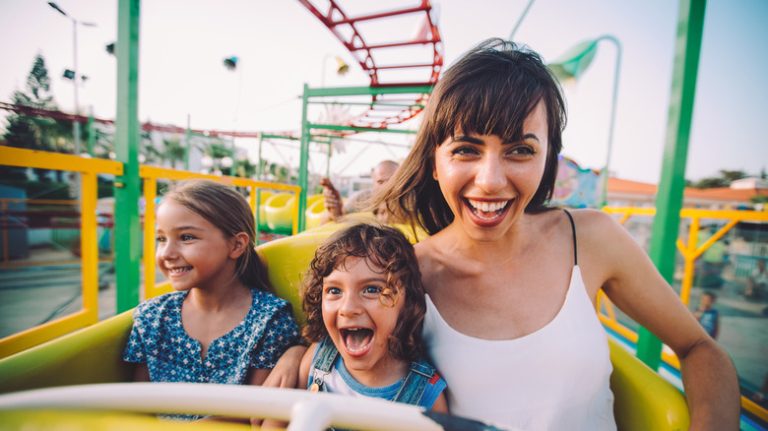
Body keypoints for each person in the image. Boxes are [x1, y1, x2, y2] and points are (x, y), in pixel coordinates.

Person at [267, 39, 739, 430]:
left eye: (519, 150)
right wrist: (296, 353)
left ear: (549, 156)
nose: (491, 179)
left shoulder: (590, 238)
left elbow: (700, 350)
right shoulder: (406, 273)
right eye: (467, 150)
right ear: (435, 160)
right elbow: (352, 343)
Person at [122, 179, 300, 420]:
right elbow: (138, 409)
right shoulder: (152, 317)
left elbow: (254, 416)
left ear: (236, 245)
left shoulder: (269, 320)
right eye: (161, 239)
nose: (167, 253)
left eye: (186, 237)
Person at [299, 223, 447, 411]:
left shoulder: (425, 393)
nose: (348, 308)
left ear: (408, 302)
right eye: (334, 290)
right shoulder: (317, 357)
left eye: (372, 289)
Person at [321, 160, 399, 224]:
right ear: (373, 183)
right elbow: (323, 223)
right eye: (380, 182)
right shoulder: (363, 199)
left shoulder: (408, 203)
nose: (386, 187)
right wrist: (335, 213)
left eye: (391, 181)